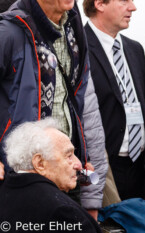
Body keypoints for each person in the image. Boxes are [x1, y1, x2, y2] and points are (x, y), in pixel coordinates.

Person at [0, 0, 108, 219]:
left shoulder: (75, 28)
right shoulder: (9, 31)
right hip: (24, 176)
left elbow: (81, 104)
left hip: (66, 171)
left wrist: (90, 187)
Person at [82, 0, 145, 202]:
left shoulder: (134, 49)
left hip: (139, 167)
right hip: (103, 170)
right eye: (124, 1)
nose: (133, 7)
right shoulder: (79, 49)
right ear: (99, 4)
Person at [0, 119, 101, 233]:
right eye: (69, 156)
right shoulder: (63, 213)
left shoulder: (5, 192)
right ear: (40, 163)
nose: (78, 164)